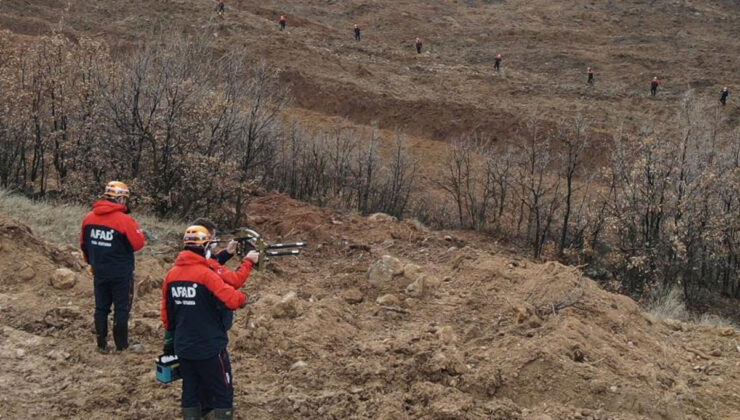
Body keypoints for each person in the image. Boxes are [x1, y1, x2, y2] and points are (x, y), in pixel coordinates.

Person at [161, 225, 259, 420]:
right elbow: (232, 299)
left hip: (183, 345)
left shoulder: (171, 275)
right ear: (205, 247)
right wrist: (243, 298)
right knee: (222, 390)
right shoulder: (206, 275)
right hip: (210, 346)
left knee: (190, 390)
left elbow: (166, 314)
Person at [81, 181, 146, 353]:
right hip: (121, 273)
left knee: (101, 307)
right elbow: (139, 244)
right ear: (121, 199)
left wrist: (91, 262)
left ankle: (101, 344)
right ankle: (122, 346)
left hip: (99, 271)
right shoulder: (124, 220)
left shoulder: (89, 218)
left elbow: (83, 244)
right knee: (121, 308)